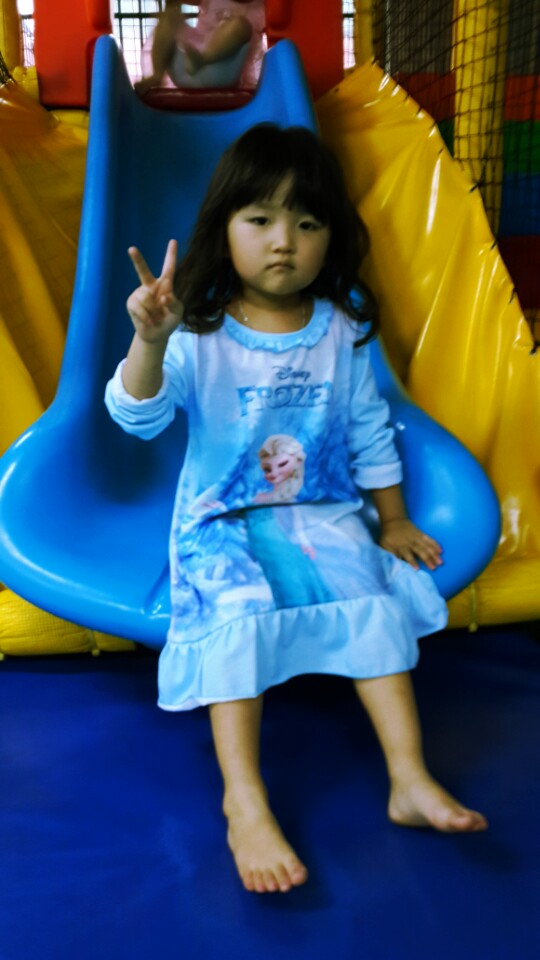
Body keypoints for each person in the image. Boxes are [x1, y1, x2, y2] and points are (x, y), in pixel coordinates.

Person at [105, 123, 488, 896]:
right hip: (221, 518)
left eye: (307, 223)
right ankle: (243, 802)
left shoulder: (340, 327)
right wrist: (150, 341)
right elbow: (135, 416)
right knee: (237, 609)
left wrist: (393, 519)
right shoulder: (198, 329)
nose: (284, 241)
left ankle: (409, 778)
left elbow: (369, 427)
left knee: (370, 596)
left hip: (320, 511)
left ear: (330, 236)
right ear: (224, 229)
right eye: (260, 220)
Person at [136, 0, 264, 95]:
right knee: (169, 16)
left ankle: (203, 59)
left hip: (225, 69)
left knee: (241, 25)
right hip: (188, 59)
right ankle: (157, 75)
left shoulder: (259, 6)